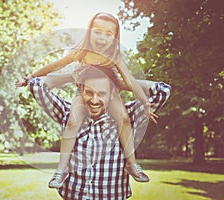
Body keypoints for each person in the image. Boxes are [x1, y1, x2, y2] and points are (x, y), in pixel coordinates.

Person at [16, 12, 157, 188]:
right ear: (89, 31)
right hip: (85, 90)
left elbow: (130, 81)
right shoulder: (81, 51)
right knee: (72, 122)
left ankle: (131, 164)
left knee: (125, 119)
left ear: (114, 37)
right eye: (97, 31)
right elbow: (55, 65)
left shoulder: (115, 56)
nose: (102, 37)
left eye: (108, 34)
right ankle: (61, 170)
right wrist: (29, 76)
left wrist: (144, 102)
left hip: (109, 91)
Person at [27, 66, 171, 199]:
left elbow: (163, 90)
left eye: (101, 93)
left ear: (112, 94)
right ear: (81, 90)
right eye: (89, 92)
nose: (94, 100)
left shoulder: (128, 116)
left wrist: (120, 82)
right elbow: (36, 85)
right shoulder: (68, 113)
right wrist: (73, 77)